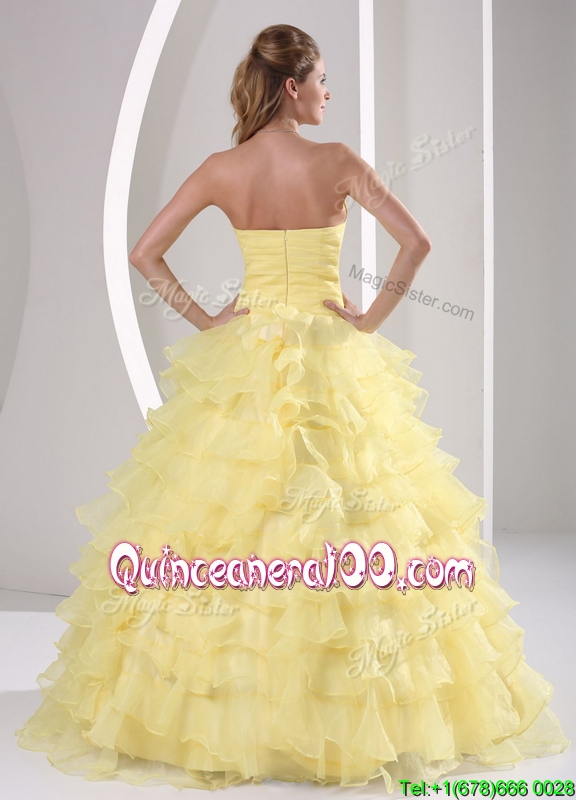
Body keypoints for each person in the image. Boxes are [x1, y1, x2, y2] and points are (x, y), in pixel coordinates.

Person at [15, 23, 570, 794]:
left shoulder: (223, 168)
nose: (328, 94)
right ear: (291, 86)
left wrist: (208, 321)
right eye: (321, 80)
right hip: (330, 351)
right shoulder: (336, 162)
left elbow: (144, 252)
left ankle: (234, 709)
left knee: (231, 517)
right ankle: (342, 706)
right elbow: (416, 243)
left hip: (245, 358)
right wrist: (369, 321)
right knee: (355, 518)